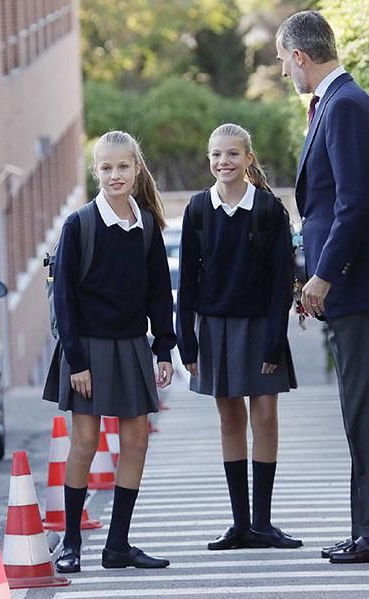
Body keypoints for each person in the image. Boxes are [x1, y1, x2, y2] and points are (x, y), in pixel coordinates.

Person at [44, 130, 176, 573]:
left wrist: (163, 348)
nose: (115, 174)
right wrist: (76, 361)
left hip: (134, 346)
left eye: (123, 166)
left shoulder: (147, 227)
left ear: (137, 168)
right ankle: (71, 542)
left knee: (136, 440)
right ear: (95, 170)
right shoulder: (79, 224)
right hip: (89, 350)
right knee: (84, 441)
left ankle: (118, 544)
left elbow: (160, 292)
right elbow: (65, 299)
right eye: (105, 167)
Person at [177, 123, 301, 551]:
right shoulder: (197, 210)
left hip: (260, 327)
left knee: (264, 417)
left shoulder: (269, 209)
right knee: (230, 420)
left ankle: (264, 524)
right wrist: (185, 340)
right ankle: (240, 525)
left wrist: (273, 340)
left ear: (248, 158)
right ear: (208, 159)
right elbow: (189, 281)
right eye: (216, 155)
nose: (223, 162)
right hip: (213, 327)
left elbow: (281, 282)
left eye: (232, 154)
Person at [276, 11, 369, 563]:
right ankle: (363, 530)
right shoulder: (334, 106)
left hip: (355, 290)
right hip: (348, 290)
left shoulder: (345, 107)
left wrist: (323, 276)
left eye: (285, 61)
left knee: (361, 414)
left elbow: (354, 205)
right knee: (358, 415)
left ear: (300, 57)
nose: (286, 71)